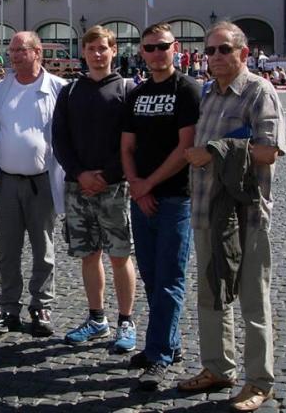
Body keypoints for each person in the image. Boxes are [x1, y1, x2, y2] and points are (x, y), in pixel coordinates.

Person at [178, 22, 285, 412]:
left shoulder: (259, 91)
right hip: (207, 210)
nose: (215, 57)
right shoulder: (208, 93)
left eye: (224, 49)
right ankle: (217, 368)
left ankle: (260, 381)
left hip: (246, 215)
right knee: (211, 294)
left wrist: (215, 149)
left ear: (243, 52)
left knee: (254, 301)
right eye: (210, 50)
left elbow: (268, 151)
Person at [121, 24, 200, 390]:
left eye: (162, 47)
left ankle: (158, 356)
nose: (155, 54)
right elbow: (126, 147)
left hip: (174, 197)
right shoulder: (136, 94)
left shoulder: (187, 90)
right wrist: (136, 186)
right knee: (152, 277)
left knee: (170, 278)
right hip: (142, 198)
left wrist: (147, 185)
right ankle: (168, 343)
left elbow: (187, 147)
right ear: (141, 52)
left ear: (175, 48)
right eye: (149, 48)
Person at [52, 25, 137, 353]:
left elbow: (133, 141)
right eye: (92, 49)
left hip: (115, 187)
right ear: (83, 53)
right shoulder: (70, 91)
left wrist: (108, 175)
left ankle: (126, 320)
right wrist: (79, 173)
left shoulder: (128, 89)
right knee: (89, 255)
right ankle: (96, 317)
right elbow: (59, 138)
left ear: (113, 51)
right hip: (78, 186)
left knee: (120, 255)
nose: (98, 54)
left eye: (104, 48)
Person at [0, 32, 66, 337]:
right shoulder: (0, 90)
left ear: (37, 52)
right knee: (7, 249)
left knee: (43, 248)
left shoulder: (58, 88)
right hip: (6, 181)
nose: (15, 56)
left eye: (21, 50)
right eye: (12, 50)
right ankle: (9, 307)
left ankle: (41, 305)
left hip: (42, 181)